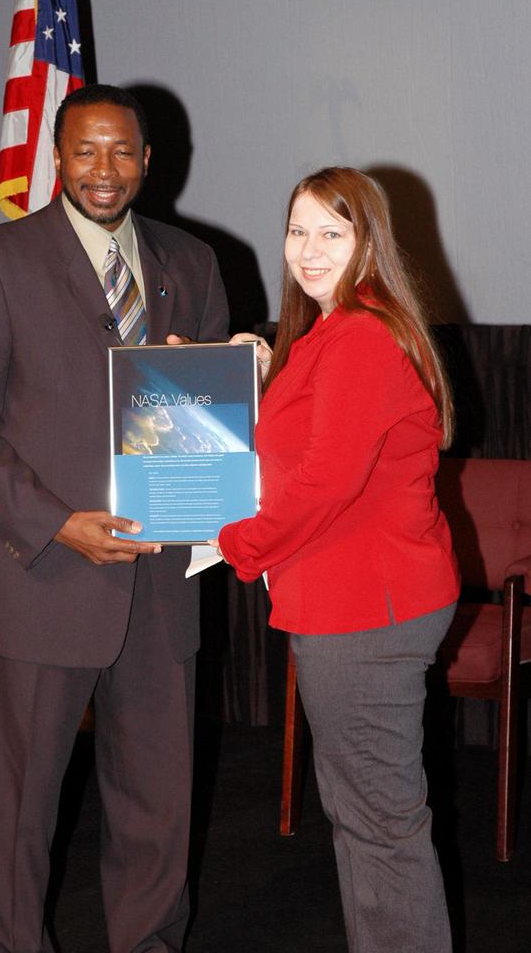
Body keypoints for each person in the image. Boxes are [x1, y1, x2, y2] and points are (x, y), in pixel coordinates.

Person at [0, 84, 229, 953]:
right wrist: (58, 523)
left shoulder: (192, 262)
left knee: (157, 812)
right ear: (57, 158)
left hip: (161, 585)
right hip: (43, 580)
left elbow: (206, 427)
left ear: (148, 160)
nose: (105, 169)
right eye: (86, 151)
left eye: (122, 152)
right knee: (16, 813)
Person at [218, 167, 459, 953]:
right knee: (368, 819)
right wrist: (252, 377)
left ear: (368, 242)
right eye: (298, 231)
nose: (309, 250)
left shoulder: (358, 335)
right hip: (363, 603)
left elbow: (323, 482)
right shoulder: (339, 330)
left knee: (380, 827)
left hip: (364, 612)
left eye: (333, 232)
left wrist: (233, 543)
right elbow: (314, 442)